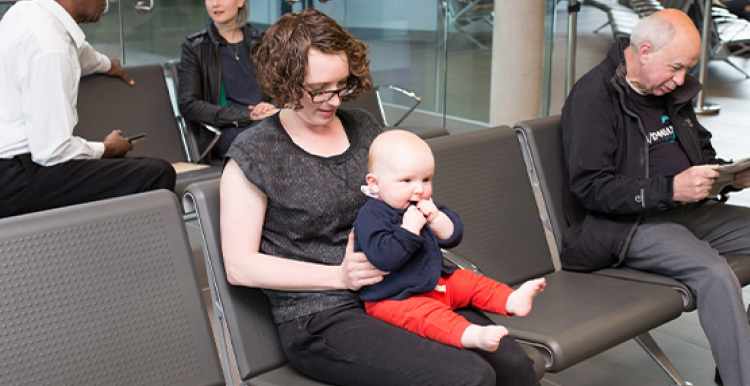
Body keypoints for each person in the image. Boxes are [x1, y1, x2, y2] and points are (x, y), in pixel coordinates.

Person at [221, 9, 541, 386]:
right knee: (469, 377)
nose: (333, 100)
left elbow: (409, 193)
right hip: (324, 313)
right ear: (285, 81)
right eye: (318, 89)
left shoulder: (366, 128)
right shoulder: (256, 153)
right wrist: (340, 276)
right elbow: (239, 266)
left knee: (514, 366)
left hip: (406, 290)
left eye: (340, 85)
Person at [561, 9, 750, 386]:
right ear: (644, 51)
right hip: (626, 226)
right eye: (676, 67)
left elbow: (700, 152)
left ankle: (738, 364)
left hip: (684, 209)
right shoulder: (593, 97)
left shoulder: (669, 90)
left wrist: (727, 177)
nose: (682, 79)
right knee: (713, 273)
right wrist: (670, 188)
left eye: (687, 69)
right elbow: (591, 187)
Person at [354, 129, 546, 352]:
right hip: (393, 297)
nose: (419, 189)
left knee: (470, 281)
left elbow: (453, 236)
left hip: (435, 282)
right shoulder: (372, 216)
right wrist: (409, 230)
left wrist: (436, 218)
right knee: (428, 317)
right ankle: (472, 334)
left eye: (426, 179)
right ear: (375, 183)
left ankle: (511, 300)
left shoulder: (421, 204)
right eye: (406, 180)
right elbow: (384, 258)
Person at [0, 0, 175, 219]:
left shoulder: (27, 12)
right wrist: (106, 149)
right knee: (157, 174)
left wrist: (107, 65)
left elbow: (78, 52)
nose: (106, 3)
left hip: (16, 171)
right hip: (21, 179)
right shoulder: (50, 46)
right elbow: (53, 151)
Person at [179, 0, 278, 159]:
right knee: (271, 138)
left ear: (240, 2)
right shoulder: (196, 47)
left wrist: (273, 106)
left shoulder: (263, 41)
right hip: (228, 129)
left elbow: (285, 87)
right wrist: (247, 114)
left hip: (269, 121)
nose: (215, 4)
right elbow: (189, 104)